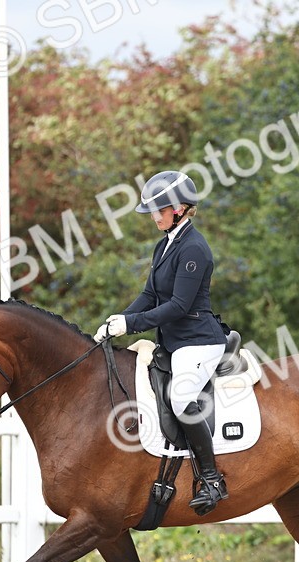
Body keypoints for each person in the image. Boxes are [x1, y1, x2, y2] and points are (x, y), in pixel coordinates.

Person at [94, 170, 230, 515]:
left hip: (198, 341)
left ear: (179, 209)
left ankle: (212, 479)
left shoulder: (194, 248)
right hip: (174, 342)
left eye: (159, 210)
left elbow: (179, 306)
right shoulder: (165, 243)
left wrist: (132, 324)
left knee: (181, 398)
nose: (154, 217)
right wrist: (117, 321)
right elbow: (150, 295)